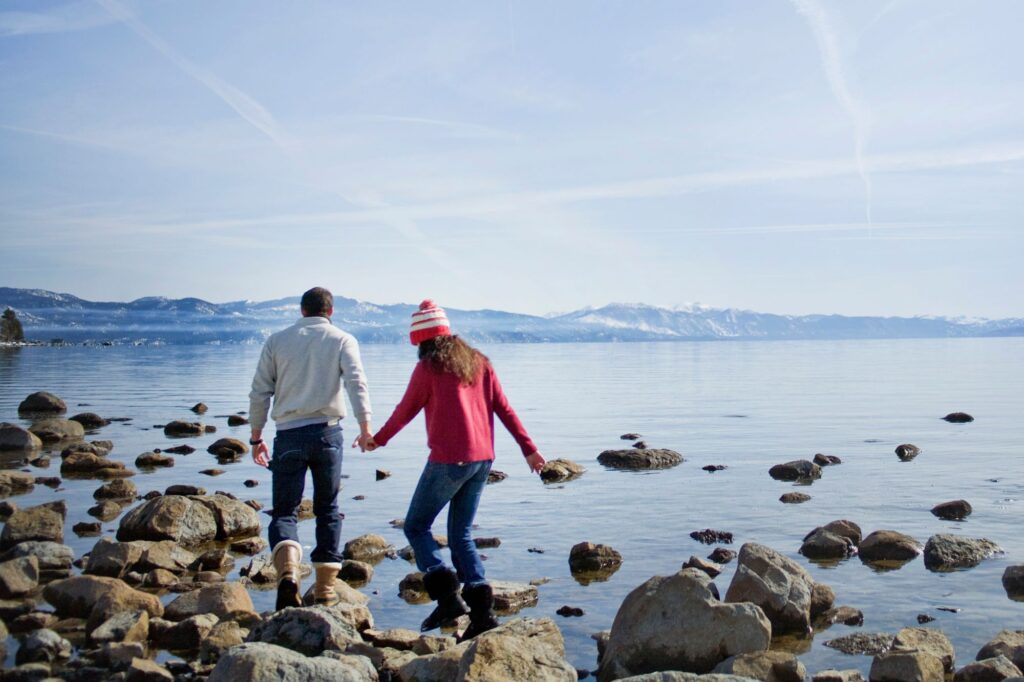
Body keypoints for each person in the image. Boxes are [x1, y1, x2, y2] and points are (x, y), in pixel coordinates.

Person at [366, 299, 545, 639]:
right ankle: (482, 616)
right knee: (460, 533)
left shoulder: (428, 368)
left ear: (422, 341)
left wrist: (378, 440)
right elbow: (504, 409)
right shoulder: (479, 363)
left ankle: (447, 595)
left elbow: (405, 410)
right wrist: (529, 449)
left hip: (449, 460)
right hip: (482, 460)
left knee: (417, 527)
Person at [249, 286, 373, 610]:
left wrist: (255, 436)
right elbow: (356, 383)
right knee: (327, 509)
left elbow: (259, 391)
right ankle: (325, 590)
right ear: (330, 312)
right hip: (328, 435)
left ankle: (289, 572)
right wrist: (365, 427)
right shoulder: (342, 339)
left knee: (285, 511)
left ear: (302, 311)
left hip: (288, 435)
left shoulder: (277, 341)